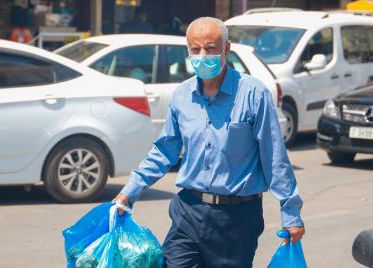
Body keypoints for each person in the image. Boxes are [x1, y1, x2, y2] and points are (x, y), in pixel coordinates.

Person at [113, 17, 305, 267]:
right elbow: (164, 151)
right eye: (196, 49)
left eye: (211, 48)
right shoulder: (182, 95)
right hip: (188, 211)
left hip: (236, 220)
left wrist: (290, 214)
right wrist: (129, 193)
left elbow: (274, 158)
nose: (202, 55)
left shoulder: (253, 94)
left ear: (227, 49)